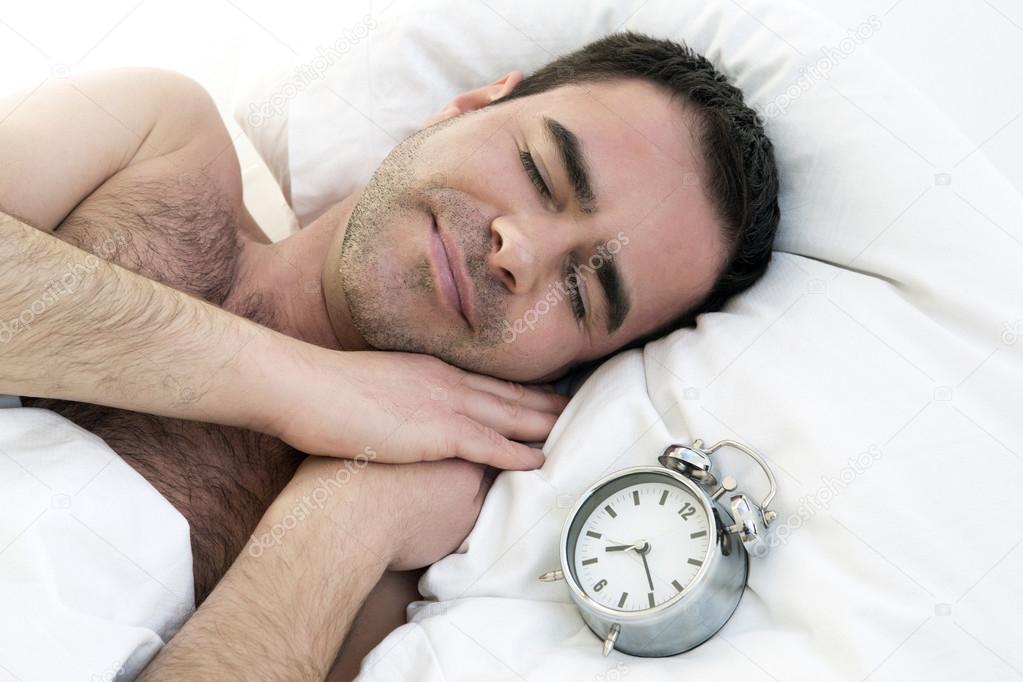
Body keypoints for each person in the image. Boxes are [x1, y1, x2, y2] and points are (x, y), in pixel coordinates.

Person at [0, 31, 778, 679]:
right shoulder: (157, 138)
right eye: (540, 171)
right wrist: (297, 385)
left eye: (582, 294)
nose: (522, 250)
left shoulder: (408, 537)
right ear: (464, 108)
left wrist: (344, 524)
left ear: (567, 370)